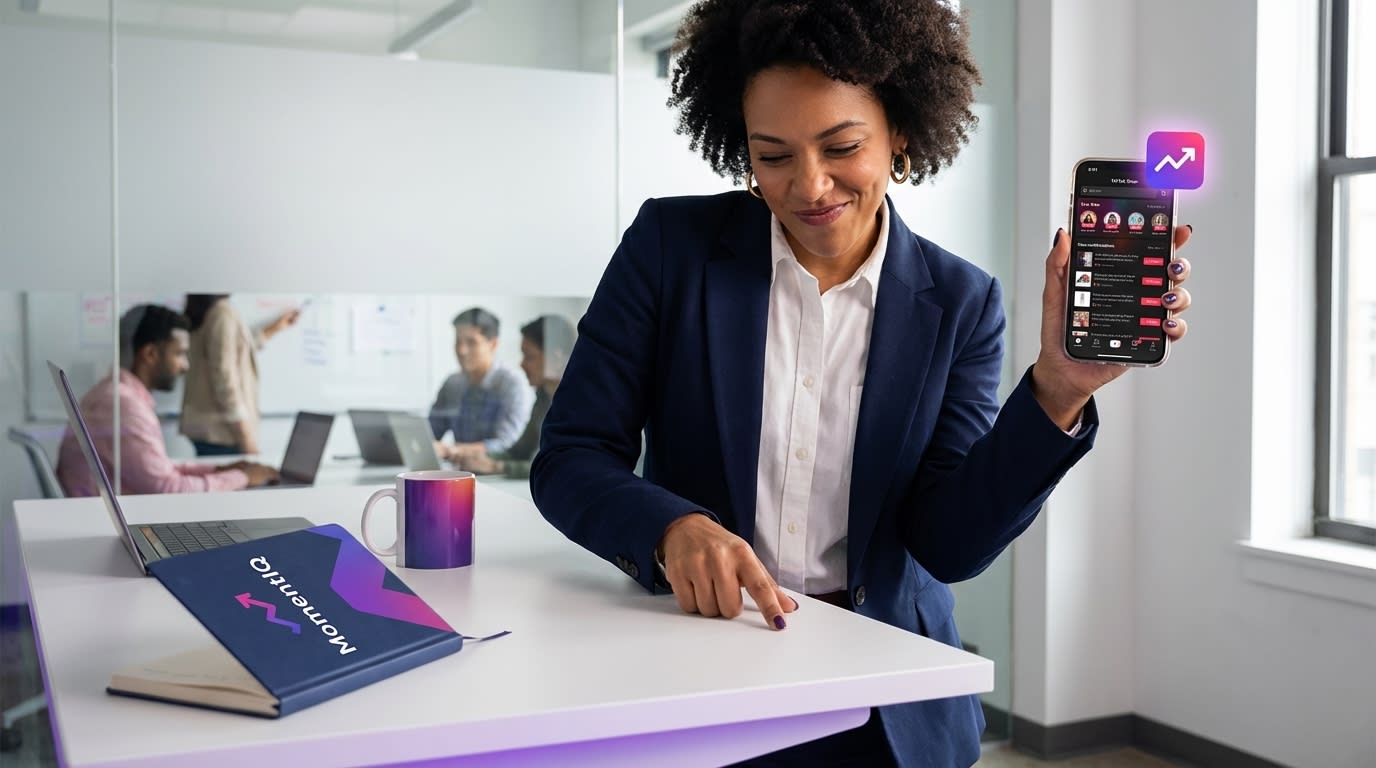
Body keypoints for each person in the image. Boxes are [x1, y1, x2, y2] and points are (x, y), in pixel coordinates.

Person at [528, 2, 1196, 767]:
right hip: (701, 667)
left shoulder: (961, 302)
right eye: (772, 155)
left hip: (883, 707)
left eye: (841, 145)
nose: (809, 186)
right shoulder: (669, 251)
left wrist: (1058, 390)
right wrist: (671, 528)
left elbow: (949, 545)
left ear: (901, 133)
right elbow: (572, 455)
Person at [57, 305, 279, 496]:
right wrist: (241, 478)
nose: (185, 365)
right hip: (108, 522)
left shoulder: (116, 394)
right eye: (180, 354)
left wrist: (219, 470)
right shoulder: (123, 405)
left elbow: (159, 469)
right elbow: (167, 487)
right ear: (150, 354)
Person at [457, 314, 575, 479]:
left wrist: (497, 466)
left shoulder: (578, 402)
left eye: (529, 356)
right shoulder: (543, 397)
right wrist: (482, 459)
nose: (521, 364)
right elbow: (520, 450)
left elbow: (554, 466)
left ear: (555, 359)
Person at [179, 294, 299, 456]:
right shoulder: (221, 313)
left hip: (209, 428)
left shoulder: (205, 311)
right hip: (224, 432)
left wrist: (275, 328)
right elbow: (224, 379)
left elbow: (237, 354)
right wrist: (245, 437)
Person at [428, 307, 534, 463]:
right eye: (458, 342)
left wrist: (453, 450)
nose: (461, 350)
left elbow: (507, 444)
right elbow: (429, 434)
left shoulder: (512, 385)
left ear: (493, 344)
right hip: (459, 472)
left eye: (471, 342)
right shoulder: (452, 383)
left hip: (497, 477)